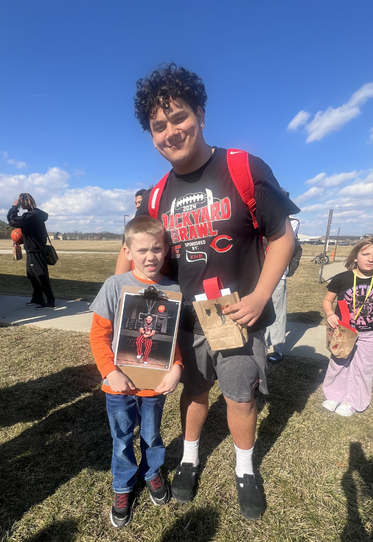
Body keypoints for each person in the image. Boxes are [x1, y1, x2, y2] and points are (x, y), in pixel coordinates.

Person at [118, 63, 299, 520]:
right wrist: (121, 295)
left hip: (238, 315)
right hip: (184, 320)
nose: (170, 131)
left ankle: (244, 469)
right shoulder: (156, 195)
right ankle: (189, 458)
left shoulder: (243, 168)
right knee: (194, 392)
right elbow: (134, 251)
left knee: (240, 396)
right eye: (158, 126)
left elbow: (282, 236)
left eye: (178, 117)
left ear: (199, 112)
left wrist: (259, 296)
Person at [90, 215, 183, 528]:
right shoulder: (115, 286)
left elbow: (170, 342)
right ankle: (123, 485)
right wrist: (110, 371)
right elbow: (98, 335)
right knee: (121, 438)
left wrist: (177, 367)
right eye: (142, 250)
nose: (150, 256)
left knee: (152, 434)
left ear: (166, 249)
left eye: (157, 249)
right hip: (118, 385)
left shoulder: (173, 289)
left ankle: (152, 471)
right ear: (127, 251)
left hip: (155, 384)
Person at [321, 237, 373, 417]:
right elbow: (327, 300)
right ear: (356, 256)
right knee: (339, 362)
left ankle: (354, 401)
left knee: (364, 367)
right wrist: (330, 314)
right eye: (365, 254)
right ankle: (334, 395)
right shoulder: (341, 279)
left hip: (371, 333)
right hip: (344, 331)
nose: (370, 259)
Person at [8, 192, 55, 308]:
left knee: (40, 275)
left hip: (35, 250)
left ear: (23, 202)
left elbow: (13, 220)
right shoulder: (36, 214)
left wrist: (14, 207)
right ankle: (37, 298)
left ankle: (49, 301)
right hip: (33, 249)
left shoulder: (31, 216)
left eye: (20, 202)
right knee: (31, 275)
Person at [266, 216, 300, 363]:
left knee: (277, 314)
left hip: (276, 274)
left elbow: (285, 239)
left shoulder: (290, 221)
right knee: (260, 312)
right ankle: (263, 345)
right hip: (256, 274)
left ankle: (278, 349)